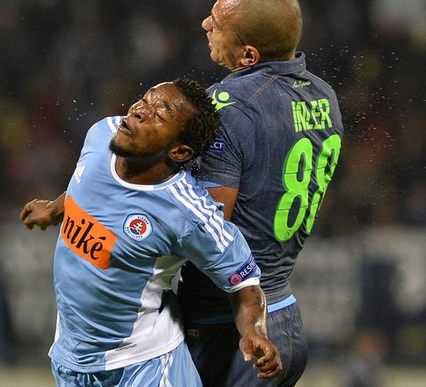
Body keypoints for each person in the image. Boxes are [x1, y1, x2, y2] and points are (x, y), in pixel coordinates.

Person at [19, 77, 282, 387]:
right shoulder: (101, 135)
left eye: (159, 114)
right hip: (71, 360)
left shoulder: (187, 214)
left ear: (179, 151)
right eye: (144, 99)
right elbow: (87, 185)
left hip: (145, 368)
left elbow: (245, 286)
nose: (139, 110)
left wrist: (254, 331)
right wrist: (55, 208)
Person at [177, 0, 344, 387]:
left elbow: (208, 229)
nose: (205, 25)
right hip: (284, 315)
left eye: (217, 23)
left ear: (249, 55)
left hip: (228, 331)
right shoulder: (325, 97)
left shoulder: (229, 106)